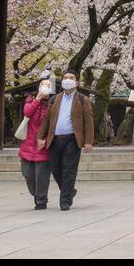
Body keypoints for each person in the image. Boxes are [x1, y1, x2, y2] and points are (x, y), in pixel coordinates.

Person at [37, 71, 95, 211]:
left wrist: (88, 142)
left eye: (71, 78)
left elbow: (89, 122)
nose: (68, 80)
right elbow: (46, 120)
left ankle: (65, 201)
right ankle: (69, 191)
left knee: (69, 170)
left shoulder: (82, 99)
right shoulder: (54, 99)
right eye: (65, 78)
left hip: (72, 139)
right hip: (55, 139)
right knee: (56, 169)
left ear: (77, 82)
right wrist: (40, 137)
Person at [19, 78, 53, 209]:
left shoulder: (53, 102)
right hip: (28, 143)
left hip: (43, 145)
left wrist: (46, 139)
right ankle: (36, 194)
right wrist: (37, 98)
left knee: (41, 176)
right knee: (27, 174)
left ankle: (41, 200)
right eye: (43, 85)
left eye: (48, 86)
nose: (45, 87)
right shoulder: (31, 99)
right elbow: (27, 113)